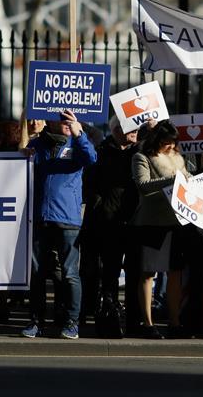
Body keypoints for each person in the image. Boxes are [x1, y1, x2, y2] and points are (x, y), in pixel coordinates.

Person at [130, 121, 203, 339]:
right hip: (152, 222)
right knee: (148, 274)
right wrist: (173, 180)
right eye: (166, 142)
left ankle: (175, 322)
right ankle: (147, 323)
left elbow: (190, 183)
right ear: (157, 141)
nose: (170, 146)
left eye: (173, 143)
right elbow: (142, 185)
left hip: (177, 223)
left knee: (175, 274)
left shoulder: (179, 159)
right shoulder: (141, 157)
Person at [21, 109, 97, 340]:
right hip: (39, 218)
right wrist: (21, 157)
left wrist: (79, 133)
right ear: (50, 121)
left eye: (70, 118)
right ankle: (36, 321)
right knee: (36, 273)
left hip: (68, 219)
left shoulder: (78, 143)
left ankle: (71, 322)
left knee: (69, 273)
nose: (66, 122)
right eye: (62, 118)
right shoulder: (37, 145)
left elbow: (91, 158)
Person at [80, 116, 139, 332]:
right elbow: (89, 182)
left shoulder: (139, 152)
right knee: (97, 272)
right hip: (103, 222)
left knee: (128, 274)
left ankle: (128, 319)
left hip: (131, 221)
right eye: (131, 127)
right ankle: (97, 314)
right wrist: (99, 204)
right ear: (116, 130)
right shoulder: (102, 151)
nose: (136, 131)